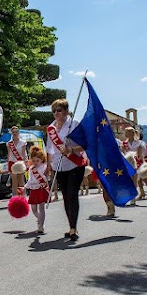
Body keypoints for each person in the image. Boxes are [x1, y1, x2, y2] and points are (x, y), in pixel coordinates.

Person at [46, 99, 86, 241]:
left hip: (74, 164)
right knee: (66, 197)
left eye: (59, 110)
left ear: (66, 111)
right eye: (54, 111)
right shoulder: (51, 128)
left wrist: (70, 149)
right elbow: (49, 149)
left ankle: (73, 228)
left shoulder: (74, 125)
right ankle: (70, 226)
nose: (56, 113)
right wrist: (48, 165)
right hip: (59, 166)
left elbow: (85, 144)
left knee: (72, 194)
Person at [24, 146, 49, 234]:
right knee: (33, 208)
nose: (35, 163)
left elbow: (47, 178)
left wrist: (46, 176)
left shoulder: (45, 167)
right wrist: (25, 187)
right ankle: (39, 219)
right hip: (33, 190)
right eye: (33, 161)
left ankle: (41, 226)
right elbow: (30, 180)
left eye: (37, 161)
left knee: (41, 208)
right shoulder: (31, 169)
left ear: (42, 159)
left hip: (41, 189)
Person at [7, 126, 27, 196]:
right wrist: (8, 165)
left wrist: (25, 163)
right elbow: (9, 155)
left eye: (16, 132)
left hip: (20, 162)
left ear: (18, 133)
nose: (15, 133)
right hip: (12, 163)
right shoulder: (9, 143)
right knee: (14, 182)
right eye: (13, 132)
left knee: (21, 181)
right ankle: (15, 198)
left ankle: (23, 197)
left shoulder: (23, 142)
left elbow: (24, 154)